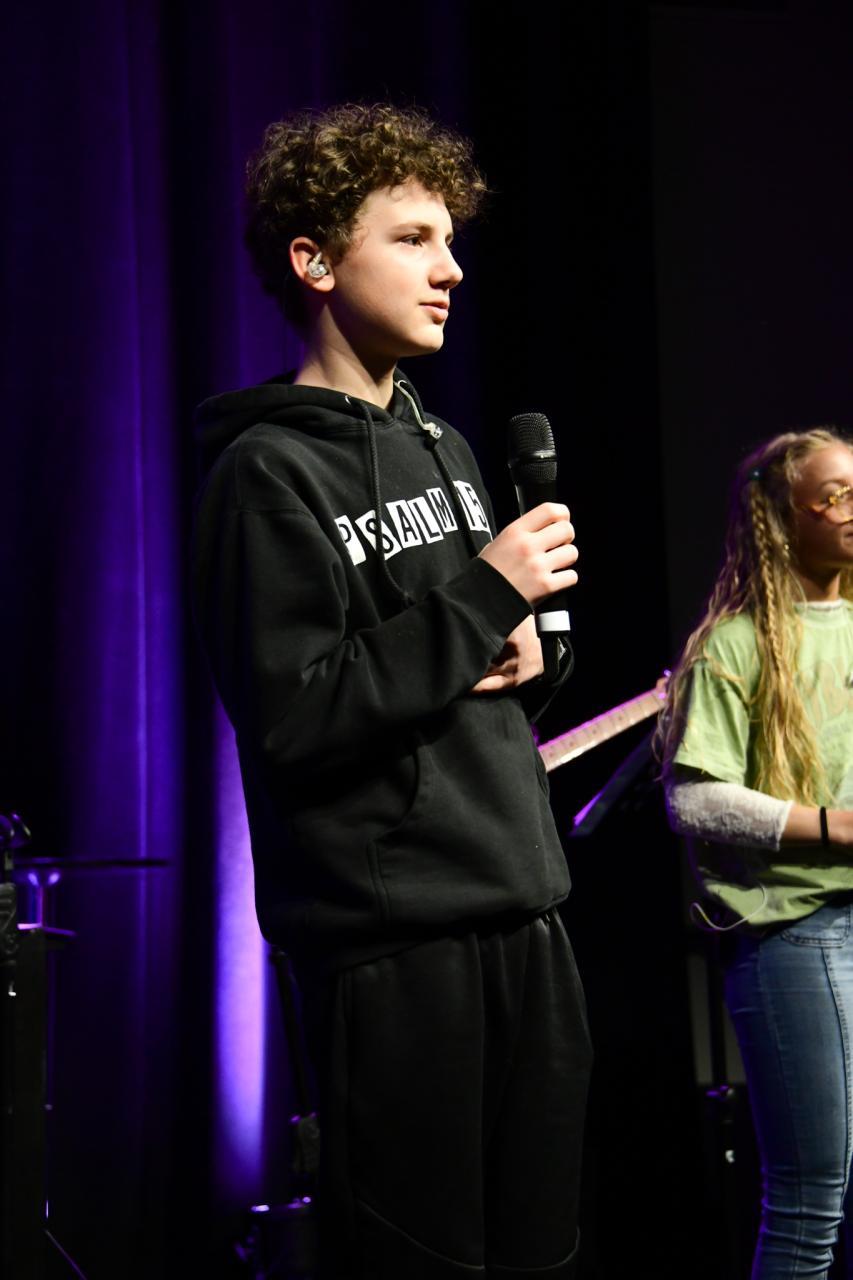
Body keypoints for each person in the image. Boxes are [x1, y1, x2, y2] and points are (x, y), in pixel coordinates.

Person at [191, 103, 591, 1279]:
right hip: (394, 944)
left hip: (523, 903)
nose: (450, 267)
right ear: (315, 261)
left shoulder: (447, 448)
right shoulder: (265, 472)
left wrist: (530, 657)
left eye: (449, 239)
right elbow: (296, 713)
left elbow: (454, 671)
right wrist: (484, 595)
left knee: (542, 1248)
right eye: (412, 238)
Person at [659, 428, 853, 1279]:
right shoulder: (734, 644)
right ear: (784, 514)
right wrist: (836, 826)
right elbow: (695, 799)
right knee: (810, 1204)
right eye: (837, 493)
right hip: (798, 934)